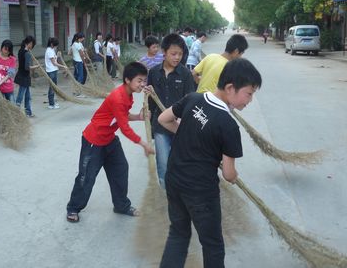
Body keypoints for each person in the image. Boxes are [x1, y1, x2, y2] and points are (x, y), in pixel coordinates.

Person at [158, 58, 262, 268]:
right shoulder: (228, 125)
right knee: (212, 244)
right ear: (231, 88)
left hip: (174, 181)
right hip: (201, 194)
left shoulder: (193, 98)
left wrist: (190, 133)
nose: (250, 100)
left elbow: (163, 119)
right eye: (249, 93)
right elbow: (229, 174)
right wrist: (233, 176)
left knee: (178, 234)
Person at [66, 62, 155, 223]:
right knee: (87, 176)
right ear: (128, 80)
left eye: (144, 81)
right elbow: (124, 128)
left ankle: (121, 205)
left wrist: (139, 117)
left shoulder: (128, 95)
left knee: (121, 169)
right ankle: (73, 207)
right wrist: (144, 143)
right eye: (139, 80)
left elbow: (121, 115)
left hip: (109, 139)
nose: (142, 84)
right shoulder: (118, 97)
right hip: (94, 140)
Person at [146, 33, 195, 189]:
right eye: (173, 54)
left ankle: (179, 190)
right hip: (160, 127)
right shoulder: (153, 72)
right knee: (163, 163)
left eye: (180, 54)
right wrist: (147, 113)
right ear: (164, 52)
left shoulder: (186, 74)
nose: (177, 57)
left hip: (179, 126)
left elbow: (190, 100)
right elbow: (151, 101)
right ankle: (166, 193)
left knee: (180, 162)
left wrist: (185, 120)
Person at [15, 36, 40, 118]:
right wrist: (36, 67)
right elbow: (27, 67)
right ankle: (16, 113)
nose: (32, 46)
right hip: (24, 77)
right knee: (20, 96)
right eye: (32, 44)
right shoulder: (27, 53)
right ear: (29, 43)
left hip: (21, 75)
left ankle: (28, 112)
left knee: (27, 96)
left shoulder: (20, 51)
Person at [45, 37, 67, 109]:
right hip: (51, 71)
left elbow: (54, 60)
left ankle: (53, 103)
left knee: (54, 87)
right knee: (52, 88)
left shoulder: (52, 50)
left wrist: (57, 55)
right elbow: (54, 63)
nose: (56, 46)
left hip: (54, 70)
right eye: (55, 45)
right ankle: (51, 104)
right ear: (51, 44)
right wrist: (63, 66)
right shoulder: (49, 51)